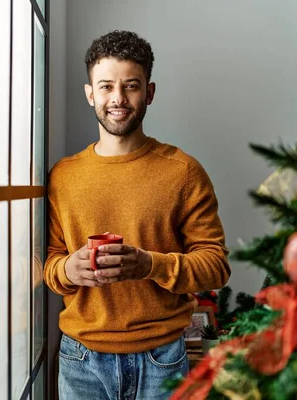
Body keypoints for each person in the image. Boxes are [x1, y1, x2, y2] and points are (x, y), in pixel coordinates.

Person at [44, 30, 231, 400]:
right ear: (90, 93)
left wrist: (150, 265)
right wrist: (68, 269)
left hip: (163, 359)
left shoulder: (183, 171)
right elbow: (49, 262)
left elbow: (216, 267)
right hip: (80, 359)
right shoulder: (63, 176)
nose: (118, 98)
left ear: (149, 93)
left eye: (131, 86)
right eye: (106, 86)